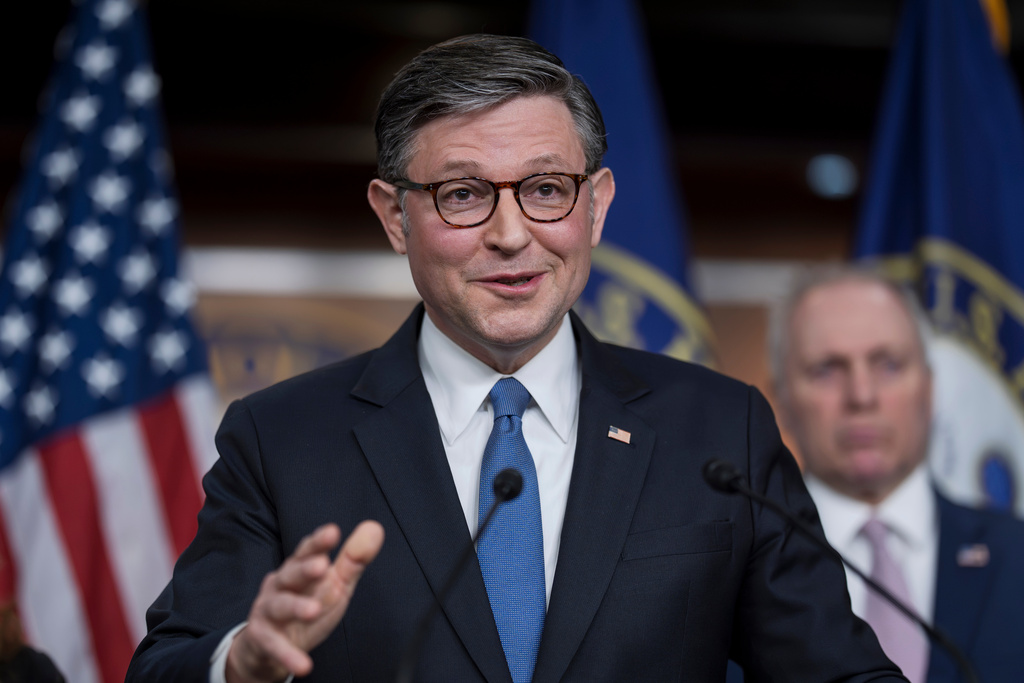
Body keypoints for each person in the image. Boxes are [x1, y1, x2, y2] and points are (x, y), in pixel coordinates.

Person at [126, 35, 904, 683]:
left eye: (544, 188)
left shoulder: (717, 429)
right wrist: (242, 662)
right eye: (464, 194)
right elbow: (164, 666)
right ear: (395, 216)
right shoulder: (281, 438)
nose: (510, 233)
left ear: (595, 205)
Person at [762, 266, 1024, 683]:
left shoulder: (1017, 556)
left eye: (888, 364)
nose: (861, 396)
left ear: (929, 386)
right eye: (827, 369)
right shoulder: (732, 574)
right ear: (782, 401)